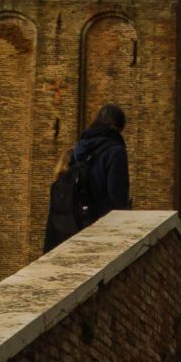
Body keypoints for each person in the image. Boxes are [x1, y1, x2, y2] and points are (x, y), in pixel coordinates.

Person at [43, 104, 132, 251]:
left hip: (76, 225)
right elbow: (118, 198)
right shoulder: (116, 151)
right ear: (117, 127)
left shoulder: (79, 148)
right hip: (102, 229)